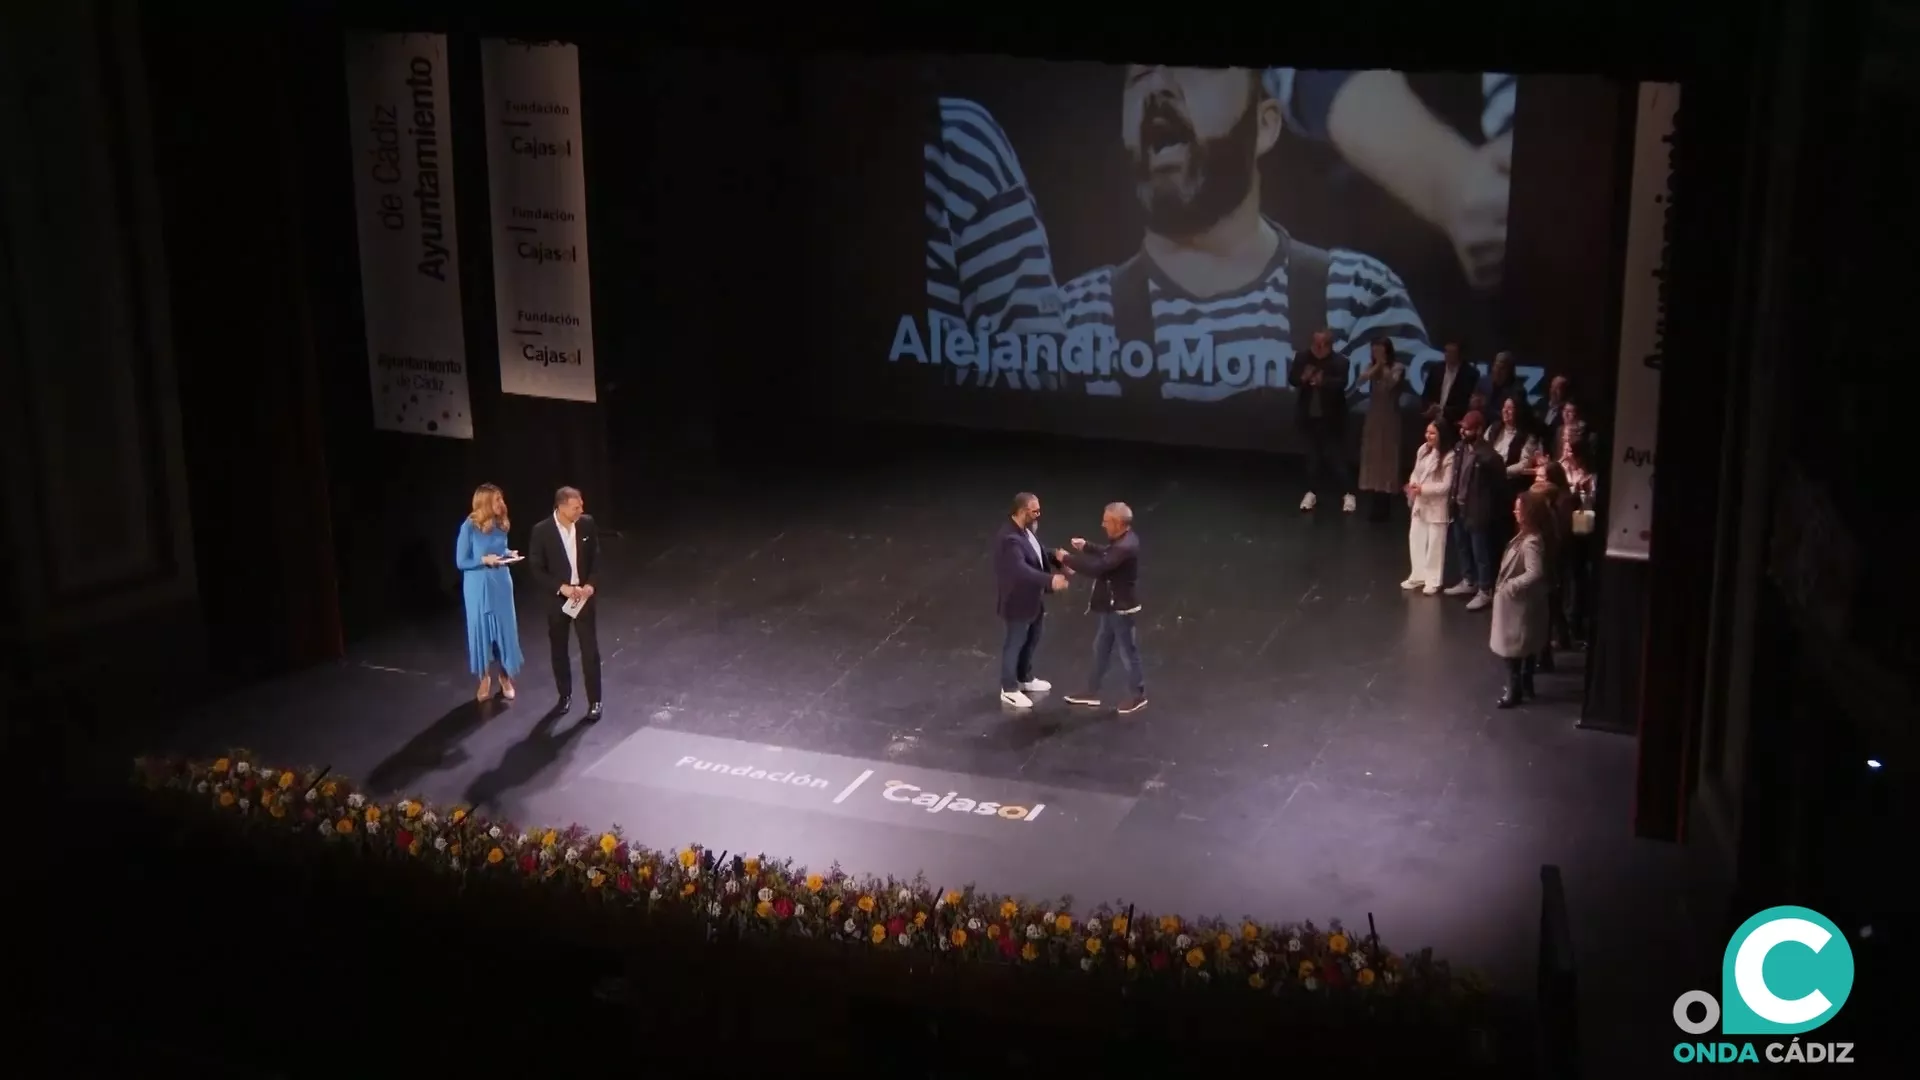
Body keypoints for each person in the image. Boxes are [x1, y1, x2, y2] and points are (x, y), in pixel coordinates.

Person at [925, 67, 1441, 397]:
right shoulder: (1075, 317)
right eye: (1138, 76)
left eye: (1195, 69)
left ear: (1265, 125)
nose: (1157, 87)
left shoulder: (1357, 294)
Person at [1056, 503, 1146, 715]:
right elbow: (1108, 553)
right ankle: (1091, 691)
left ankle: (1138, 695)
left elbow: (1099, 567)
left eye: (1106, 521)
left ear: (1118, 523)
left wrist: (1066, 558)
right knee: (1101, 649)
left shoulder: (1126, 546)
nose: (1102, 524)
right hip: (1111, 606)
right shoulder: (1122, 541)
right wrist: (1086, 546)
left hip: (1121, 610)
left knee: (1127, 652)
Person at [528, 486, 603, 721]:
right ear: (560, 507)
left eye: (581, 505)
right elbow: (536, 568)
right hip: (558, 600)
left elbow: (596, 558)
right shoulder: (542, 531)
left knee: (589, 650)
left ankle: (595, 701)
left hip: (583, 596)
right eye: (576, 507)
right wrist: (562, 588)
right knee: (559, 650)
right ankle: (565, 695)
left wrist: (590, 585)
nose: (581, 509)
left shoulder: (587, 524)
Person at [994, 492, 1070, 709]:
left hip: (1032, 599)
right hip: (1017, 601)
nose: (1039, 514)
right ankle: (1008, 688)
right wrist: (1050, 580)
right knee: (1014, 643)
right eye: (1034, 510)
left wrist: (1056, 555)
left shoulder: (1025, 531)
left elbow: (1035, 554)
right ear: (1021, 511)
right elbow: (1021, 569)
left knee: (1032, 639)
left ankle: (1023, 678)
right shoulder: (1009, 539)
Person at [454, 484, 524, 702]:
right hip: (478, 586)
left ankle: (505, 676)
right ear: (484, 502)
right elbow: (461, 561)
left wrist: (507, 553)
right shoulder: (469, 527)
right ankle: (484, 678)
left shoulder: (501, 524)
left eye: (501, 499)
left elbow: (499, 549)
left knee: (505, 631)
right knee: (481, 632)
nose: (501, 504)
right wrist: (484, 560)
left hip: (501, 582)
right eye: (496, 500)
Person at [1490, 491, 1553, 708]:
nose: (1515, 512)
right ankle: (1525, 686)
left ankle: (1514, 691)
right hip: (1519, 604)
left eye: (1519, 509)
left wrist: (1511, 586)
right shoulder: (1527, 536)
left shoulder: (1530, 542)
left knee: (1512, 650)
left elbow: (1535, 572)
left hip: (1518, 604)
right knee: (1521, 647)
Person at [1442, 410, 1506, 610]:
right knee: (1462, 546)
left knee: (1480, 552)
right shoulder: (1460, 448)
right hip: (1459, 506)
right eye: (1462, 427)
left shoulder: (1488, 456)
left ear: (1479, 430)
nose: (1463, 431)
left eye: (1468, 428)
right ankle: (1468, 581)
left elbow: (1499, 486)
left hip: (1478, 510)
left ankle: (1485, 589)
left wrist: (1488, 507)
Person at [1289, 329, 1355, 513]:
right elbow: (1292, 379)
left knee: (1337, 458)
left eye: (1321, 344)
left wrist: (1323, 381)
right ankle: (1311, 493)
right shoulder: (1302, 358)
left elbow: (1341, 383)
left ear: (1329, 345)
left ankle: (1348, 494)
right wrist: (1303, 378)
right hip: (1309, 417)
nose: (1316, 348)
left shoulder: (1340, 362)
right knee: (1312, 458)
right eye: (1314, 343)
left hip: (1332, 420)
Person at [1356, 338, 1408, 521]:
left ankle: (1385, 504)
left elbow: (1392, 383)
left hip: (1390, 418)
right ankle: (1373, 501)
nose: (1376, 355)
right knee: (1373, 459)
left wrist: (1382, 366)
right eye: (1374, 351)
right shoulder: (1371, 367)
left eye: (1380, 351)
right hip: (1374, 417)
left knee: (1387, 459)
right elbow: (1361, 380)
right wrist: (1375, 366)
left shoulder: (1397, 367)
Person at [1401, 422, 1454, 594]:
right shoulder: (1423, 450)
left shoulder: (1448, 456)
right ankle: (1417, 575)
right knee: (1415, 539)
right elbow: (1416, 472)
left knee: (1434, 544)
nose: (1428, 436)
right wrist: (1413, 483)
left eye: (1432, 433)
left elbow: (1446, 485)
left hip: (1436, 506)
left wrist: (1423, 489)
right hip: (1420, 503)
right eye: (1427, 432)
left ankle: (1433, 579)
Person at [1419, 341, 1479, 425]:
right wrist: (1429, 408)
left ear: (1459, 355)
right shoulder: (1436, 369)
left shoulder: (1470, 374)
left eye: (1452, 353)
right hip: (1432, 419)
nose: (1447, 355)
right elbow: (1426, 394)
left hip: (1454, 423)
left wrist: (1442, 410)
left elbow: (1465, 404)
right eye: (1446, 351)